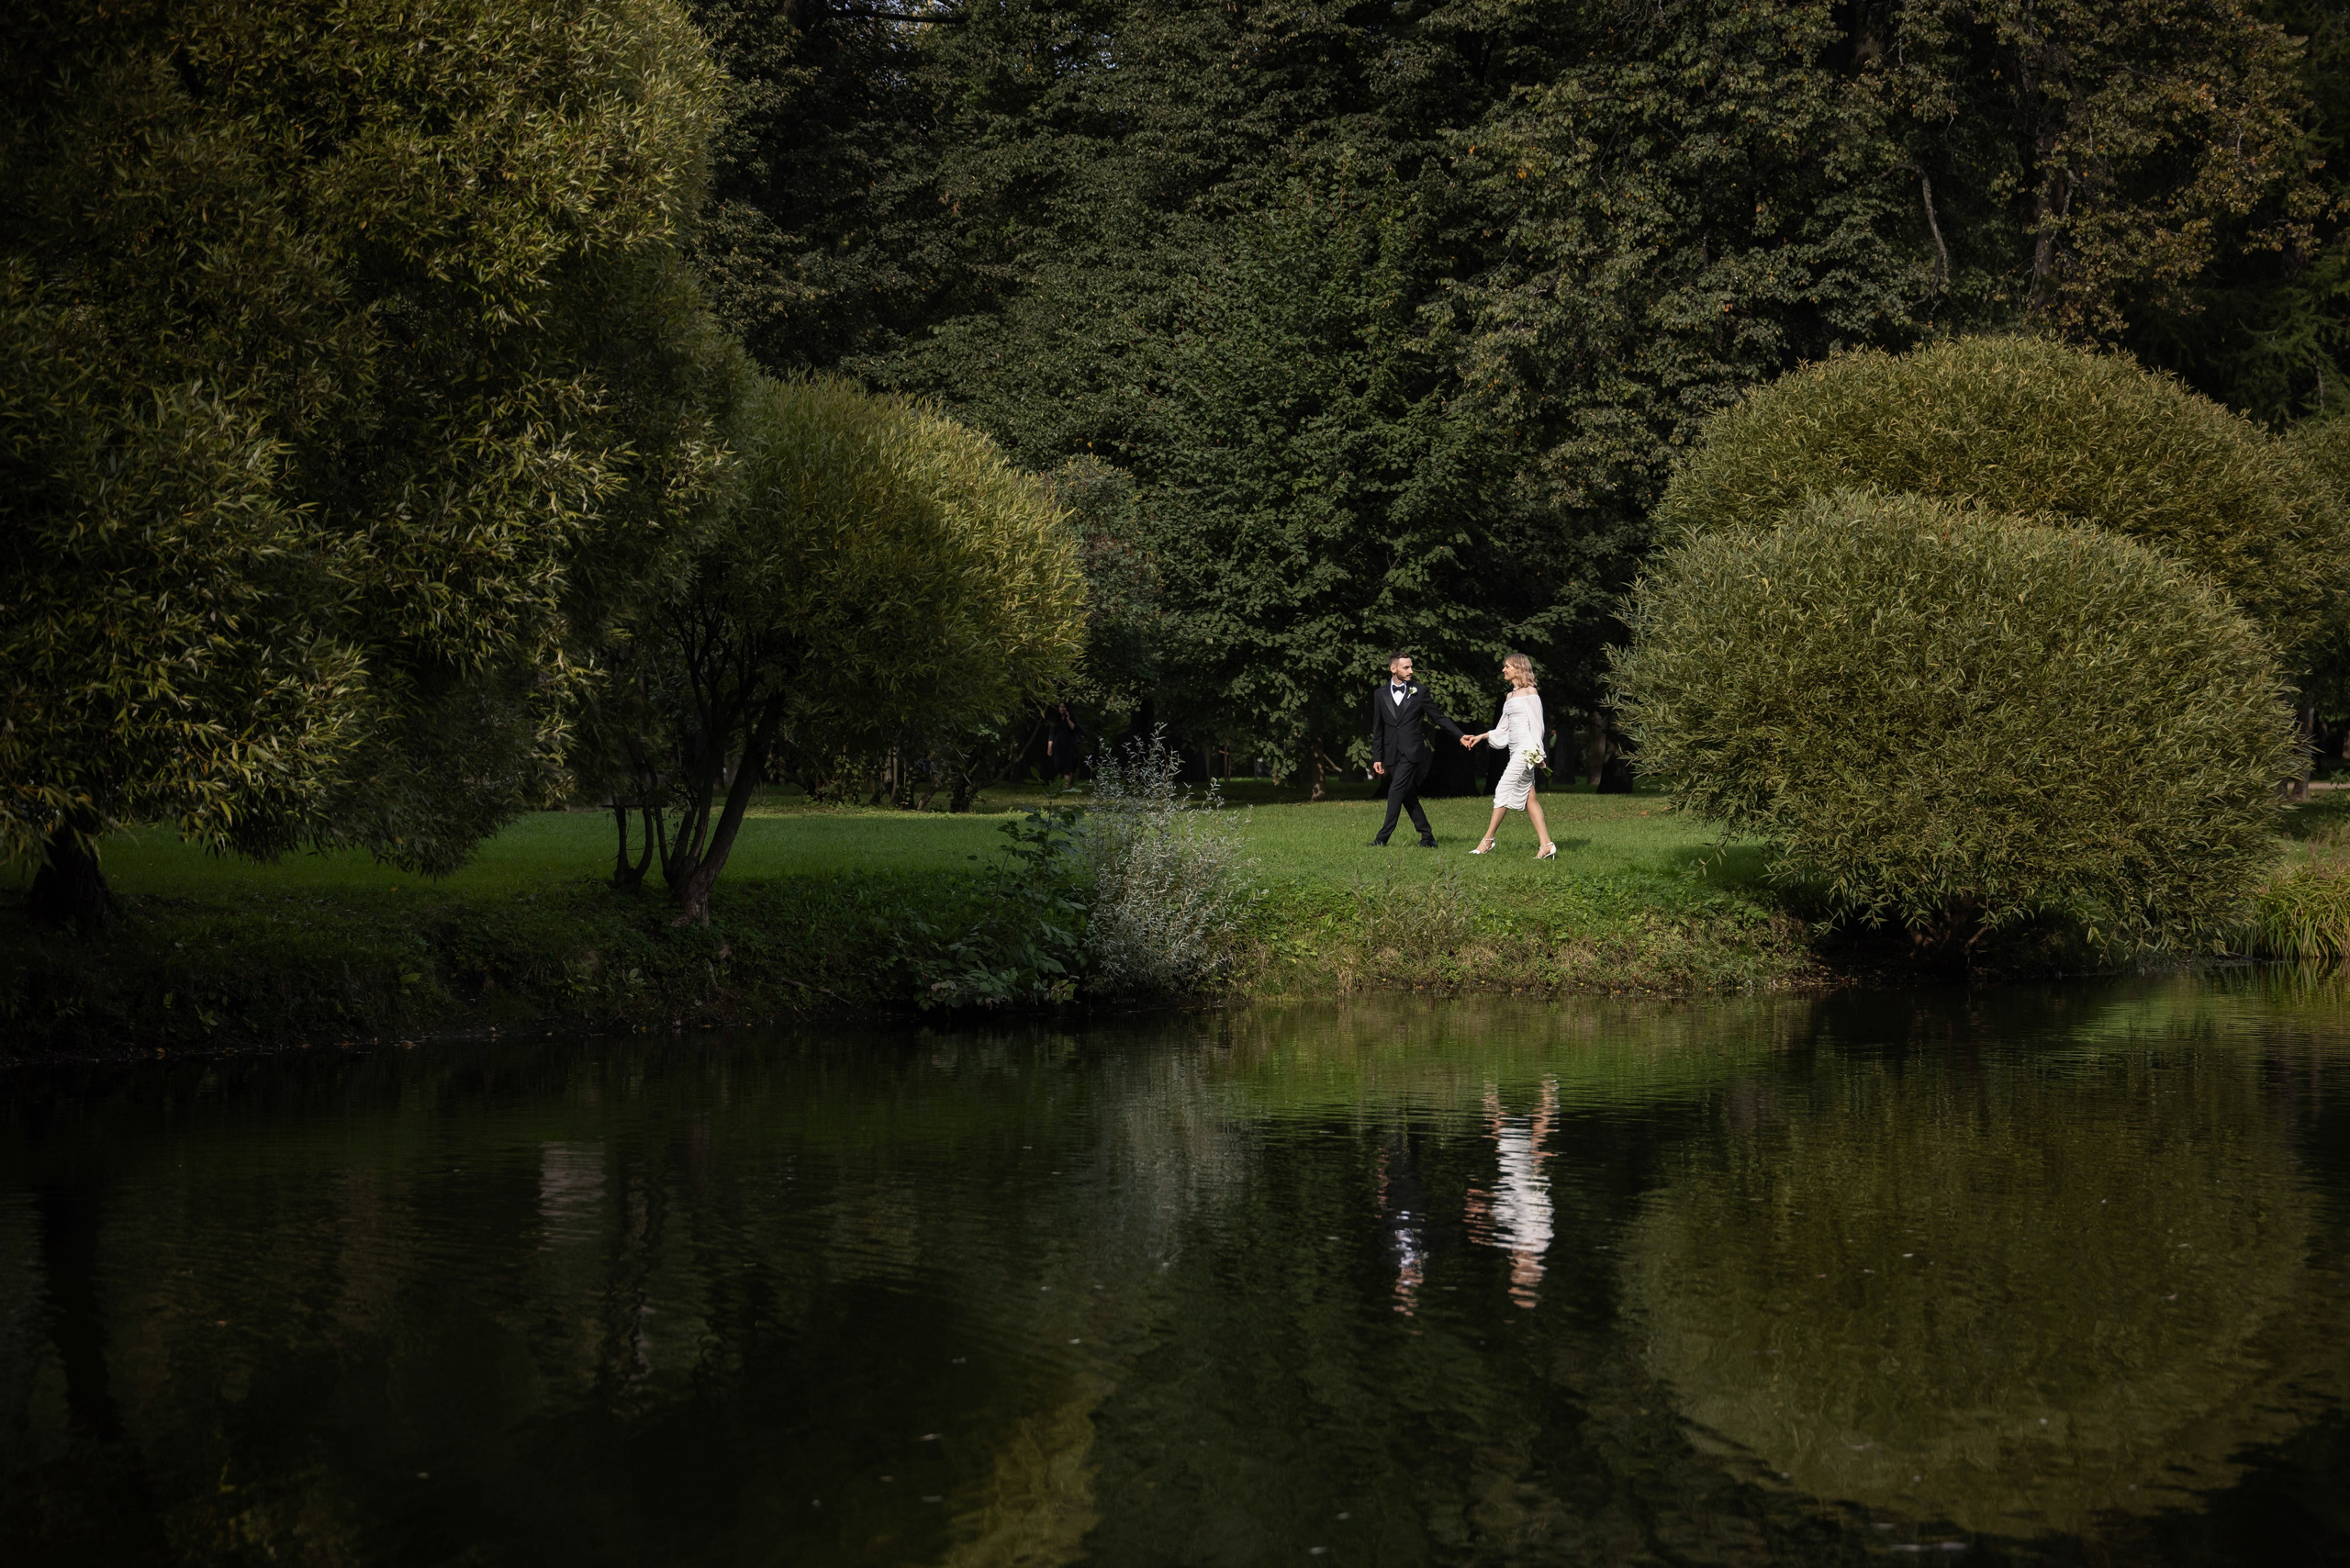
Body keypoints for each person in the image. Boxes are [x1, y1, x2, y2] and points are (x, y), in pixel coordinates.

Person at [1461, 652, 1557, 859]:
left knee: (1502, 789)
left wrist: (1538, 753)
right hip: (1515, 750)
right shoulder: (1510, 696)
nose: (1504, 670)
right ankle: (1546, 844)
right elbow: (1502, 728)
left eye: (1507, 666)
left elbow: (1537, 726)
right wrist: (1482, 736)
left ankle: (1487, 840)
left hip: (1526, 751)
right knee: (1530, 798)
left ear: (1519, 668)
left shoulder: (1531, 692)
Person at [1368, 651, 1467, 847]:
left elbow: (1438, 717)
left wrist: (1460, 735)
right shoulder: (1380, 694)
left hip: (1411, 751)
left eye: (1411, 666)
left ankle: (1382, 838)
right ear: (1393, 668)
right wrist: (1377, 757)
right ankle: (1427, 837)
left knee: (1395, 791)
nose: (1411, 671)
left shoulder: (1420, 691)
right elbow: (1378, 728)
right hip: (1391, 753)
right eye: (1406, 667)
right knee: (1407, 795)